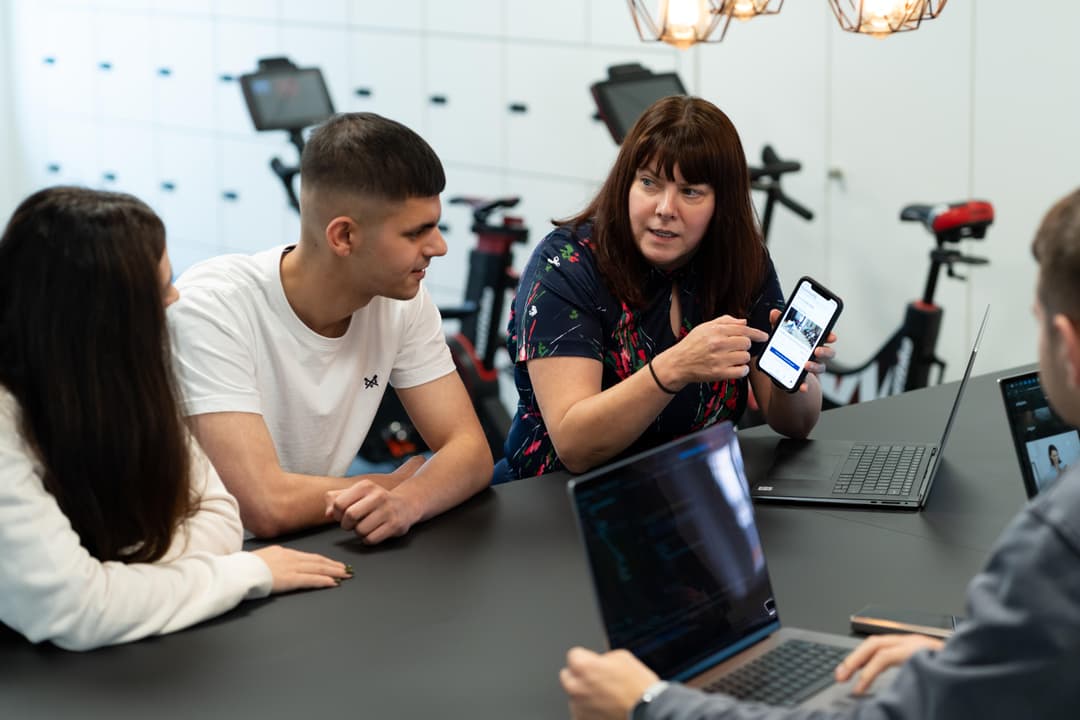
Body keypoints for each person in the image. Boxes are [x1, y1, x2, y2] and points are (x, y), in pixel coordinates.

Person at [559, 187, 1080, 719]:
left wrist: (650, 704)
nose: (668, 206)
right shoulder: (571, 265)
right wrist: (979, 661)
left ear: (1068, 344)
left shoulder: (1061, 535)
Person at [0, 187, 350, 651]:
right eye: (159, 286)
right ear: (102, 314)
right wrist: (247, 572)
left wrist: (111, 575)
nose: (174, 297)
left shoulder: (118, 380)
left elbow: (220, 516)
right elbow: (73, 606)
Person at [168, 113, 492, 541]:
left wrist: (408, 503)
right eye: (416, 233)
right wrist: (396, 483)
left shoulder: (403, 303)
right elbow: (264, 506)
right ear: (343, 237)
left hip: (312, 540)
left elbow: (471, 451)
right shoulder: (211, 307)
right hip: (208, 564)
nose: (439, 247)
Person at [496, 96, 834, 482]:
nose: (665, 208)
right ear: (626, 183)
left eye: (690, 192)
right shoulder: (567, 264)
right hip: (555, 502)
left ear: (721, 203)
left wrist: (794, 378)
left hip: (690, 494)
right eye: (649, 183)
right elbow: (574, 444)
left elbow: (794, 424)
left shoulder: (741, 261)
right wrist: (675, 367)